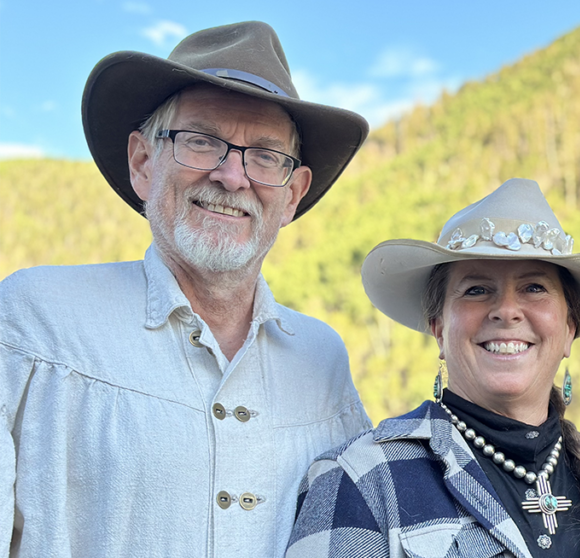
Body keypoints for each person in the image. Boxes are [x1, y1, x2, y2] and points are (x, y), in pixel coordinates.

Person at [0, 21, 372, 556]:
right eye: (201, 141)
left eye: (266, 156)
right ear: (143, 163)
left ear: (293, 195)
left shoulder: (323, 360)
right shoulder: (35, 323)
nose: (232, 176)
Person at [287, 178, 580, 557]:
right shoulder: (361, 479)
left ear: (569, 330)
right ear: (439, 329)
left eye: (534, 287)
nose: (506, 310)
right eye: (476, 290)